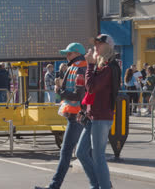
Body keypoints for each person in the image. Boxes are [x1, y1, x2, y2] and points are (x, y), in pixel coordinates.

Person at [35, 42, 87, 189]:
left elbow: (78, 95)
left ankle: (54, 186)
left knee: (66, 151)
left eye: (69, 53)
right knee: (87, 154)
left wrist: (60, 91)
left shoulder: (79, 69)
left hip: (77, 115)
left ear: (77, 53)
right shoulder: (76, 67)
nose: (66, 56)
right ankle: (103, 185)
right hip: (76, 115)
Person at [76, 34, 121, 189]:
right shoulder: (102, 66)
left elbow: (92, 87)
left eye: (99, 44)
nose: (95, 47)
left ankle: (103, 186)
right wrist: (85, 111)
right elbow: (92, 93)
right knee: (81, 153)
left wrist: (89, 65)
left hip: (101, 117)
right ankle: (98, 185)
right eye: (95, 44)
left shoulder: (109, 68)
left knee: (98, 155)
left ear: (107, 46)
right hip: (94, 116)